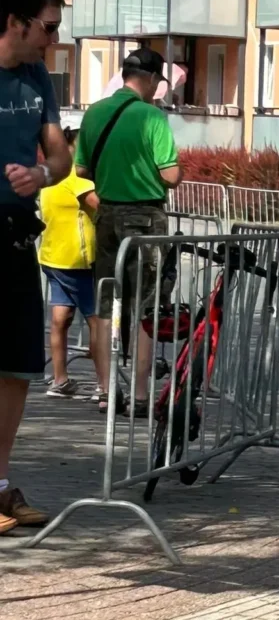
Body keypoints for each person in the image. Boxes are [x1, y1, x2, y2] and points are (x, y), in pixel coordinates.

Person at [0, 0, 72, 534]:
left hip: (18, 235)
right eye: (47, 27)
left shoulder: (37, 77)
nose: (53, 38)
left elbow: (61, 158)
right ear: (15, 22)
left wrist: (42, 174)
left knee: (18, 367)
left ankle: (0, 488)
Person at [75, 47, 182, 418]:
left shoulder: (95, 112)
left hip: (105, 215)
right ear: (151, 79)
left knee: (105, 303)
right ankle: (139, 396)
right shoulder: (152, 117)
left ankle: (106, 392)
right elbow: (171, 175)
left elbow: (82, 171)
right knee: (146, 307)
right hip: (145, 219)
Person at [38, 115, 102, 399]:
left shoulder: (50, 171)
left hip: (53, 256)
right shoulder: (76, 175)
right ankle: (104, 385)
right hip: (78, 258)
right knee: (97, 321)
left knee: (60, 318)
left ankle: (60, 379)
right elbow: (99, 206)